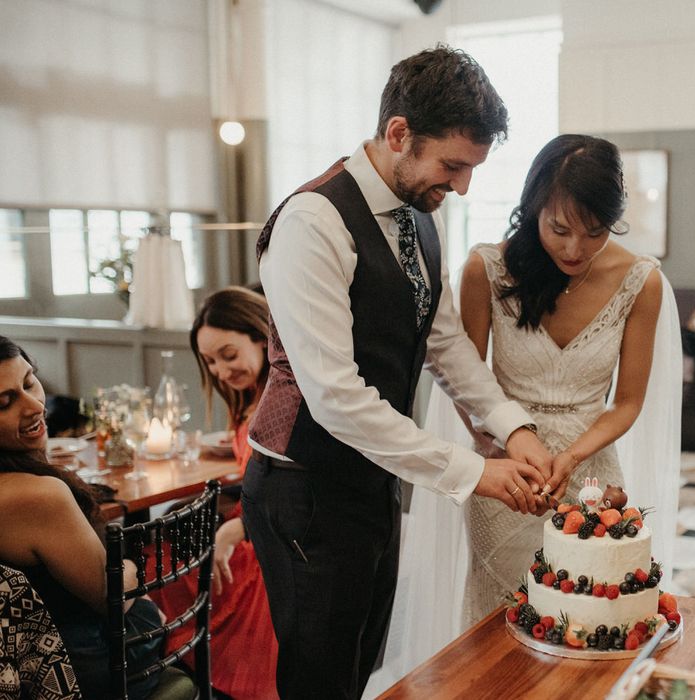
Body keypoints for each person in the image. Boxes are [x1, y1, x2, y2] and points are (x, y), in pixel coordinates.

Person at [242, 45, 553, 700]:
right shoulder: (313, 221)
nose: (462, 185)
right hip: (305, 491)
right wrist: (475, 472)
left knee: (357, 670)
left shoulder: (420, 216)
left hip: (372, 483)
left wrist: (512, 428)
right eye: (453, 165)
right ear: (398, 134)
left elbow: (444, 344)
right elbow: (335, 397)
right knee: (318, 680)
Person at [371, 134, 682, 689]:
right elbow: (464, 379)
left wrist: (575, 454)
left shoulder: (641, 282)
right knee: (500, 634)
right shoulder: (486, 270)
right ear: (533, 207)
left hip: (590, 476)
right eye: (559, 229)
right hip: (506, 473)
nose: (575, 249)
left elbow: (628, 401)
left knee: (587, 628)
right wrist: (497, 446)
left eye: (595, 232)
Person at [0, 336, 163, 700]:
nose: (34, 406)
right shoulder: (38, 496)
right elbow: (110, 597)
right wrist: (134, 570)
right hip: (77, 673)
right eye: (4, 403)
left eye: (29, 382)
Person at [148, 286, 279, 699]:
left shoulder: (278, 400)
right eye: (210, 361)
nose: (220, 371)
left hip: (268, 535)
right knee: (161, 536)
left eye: (228, 355)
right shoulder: (254, 394)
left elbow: (280, 491)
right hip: (253, 518)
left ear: (262, 336)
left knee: (155, 558)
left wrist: (231, 531)